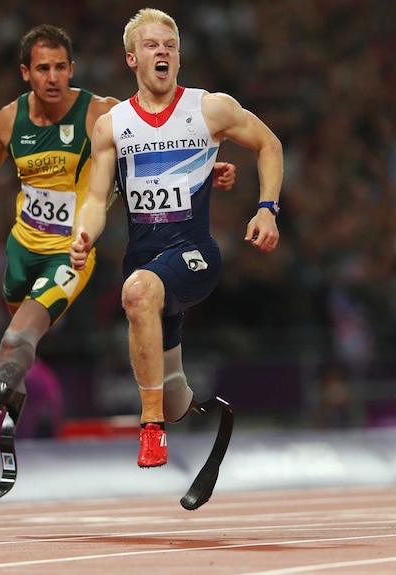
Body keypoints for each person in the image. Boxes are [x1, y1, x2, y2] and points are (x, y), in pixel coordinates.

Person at [0, 24, 236, 427]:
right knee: (19, 342)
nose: (52, 78)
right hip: (21, 250)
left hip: (70, 251)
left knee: (17, 340)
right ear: (25, 73)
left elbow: (159, 141)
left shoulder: (98, 113)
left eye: (59, 68)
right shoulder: (8, 121)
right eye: (42, 69)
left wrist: (205, 169)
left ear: (71, 69)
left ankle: (6, 409)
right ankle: (17, 406)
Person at [70, 8, 283, 468]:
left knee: (138, 292)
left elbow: (269, 144)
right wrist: (83, 233)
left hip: (193, 256)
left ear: (179, 57)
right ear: (132, 59)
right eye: (151, 45)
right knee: (167, 383)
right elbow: (95, 197)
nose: (162, 51)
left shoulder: (209, 109)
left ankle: (151, 428)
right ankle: (185, 406)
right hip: (144, 260)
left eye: (170, 45)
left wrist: (267, 208)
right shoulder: (112, 126)